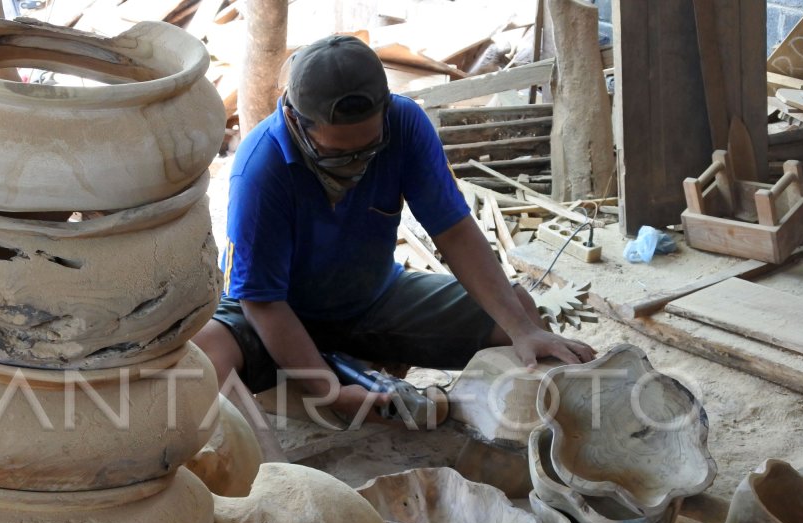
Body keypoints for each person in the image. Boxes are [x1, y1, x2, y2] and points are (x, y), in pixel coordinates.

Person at [193, 34, 595, 425]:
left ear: (385, 109)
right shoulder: (261, 167)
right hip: (279, 315)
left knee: (519, 311)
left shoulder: (405, 123)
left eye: (368, 148)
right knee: (204, 353)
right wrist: (328, 390)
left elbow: (453, 230)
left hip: (372, 301)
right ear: (296, 119)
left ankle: (341, 369)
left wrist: (521, 329)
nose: (356, 163)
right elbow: (262, 302)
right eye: (336, 154)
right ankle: (313, 380)